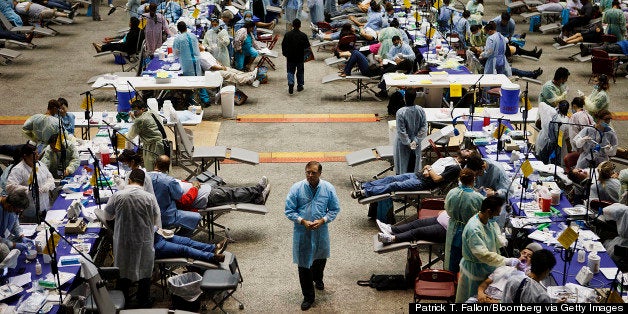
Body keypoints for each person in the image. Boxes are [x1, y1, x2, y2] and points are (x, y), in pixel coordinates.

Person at [285, 161, 340, 311]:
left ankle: (318, 278)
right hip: (303, 232)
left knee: (320, 258)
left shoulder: (328, 188)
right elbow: (289, 210)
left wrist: (323, 220)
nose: (310, 175)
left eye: (313, 173)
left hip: (321, 231)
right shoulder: (297, 188)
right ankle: (308, 296)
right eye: (307, 172)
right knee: (303, 265)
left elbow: (334, 209)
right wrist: (302, 221)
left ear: (320, 173)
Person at [101, 168, 161, 308]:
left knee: (123, 269)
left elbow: (108, 216)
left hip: (123, 240)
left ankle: (123, 300)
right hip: (143, 240)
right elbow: (156, 221)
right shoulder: (149, 197)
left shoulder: (118, 196)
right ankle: (143, 300)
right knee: (144, 269)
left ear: (128, 180)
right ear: (143, 182)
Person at [455, 196, 517, 303]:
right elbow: (483, 254)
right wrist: (505, 260)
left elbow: (493, 232)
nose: (499, 214)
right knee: (474, 298)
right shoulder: (474, 229)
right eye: (497, 211)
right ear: (488, 211)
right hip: (475, 269)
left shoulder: (486, 220)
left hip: (488, 265)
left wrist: (501, 239)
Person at [351, 150, 472, 199]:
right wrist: (427, 168)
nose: (466, 149)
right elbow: (429, 166)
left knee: (395, 185)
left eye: (468, 152)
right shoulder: (449, 159)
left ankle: (365, 192)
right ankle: (365, 185)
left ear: (466, 159)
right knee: (391, 178)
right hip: (418, 175)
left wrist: (428, 169)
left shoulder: (455, 168)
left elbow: (436, 178)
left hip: (423, 183)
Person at [444, 168, 484, 273]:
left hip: (453, 228)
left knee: (453, 255)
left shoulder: (452, 192)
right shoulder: (478, 197)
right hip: (470, 230)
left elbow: (447, 209)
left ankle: (451, 277)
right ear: (474, 180)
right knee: (467, 259)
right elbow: (484, 216)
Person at [474, 243, 543, 303]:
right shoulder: (502, 268)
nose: (525, 256)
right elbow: (485, 283)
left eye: (529, 256)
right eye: (523, 253)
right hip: (482, 298)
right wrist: (480, 293)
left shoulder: (527, 280)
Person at [150, 155, 201, 234]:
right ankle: (180, 238)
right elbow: (179, 197)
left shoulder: (145, 176)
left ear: (155, 163)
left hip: (149, 216)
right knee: (196, 217)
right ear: (168, 168)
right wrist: (195, 188)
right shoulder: (169, 181)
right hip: (166, 217)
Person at [6, 142, 55, 223]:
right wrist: (28, 189)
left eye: (37, 154)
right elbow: (9, 187)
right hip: (30, 210)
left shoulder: (40, 164)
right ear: (25, 156)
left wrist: (47, 185)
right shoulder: (19, 169)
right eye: (34, 154)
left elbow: (50, 177)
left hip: (45, 205)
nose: (37, 156)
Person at [177, 176, 271, 210]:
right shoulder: (165, 190)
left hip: (205, 190)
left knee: (232, 192)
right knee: (232, 193)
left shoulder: (165, 182)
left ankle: (258, 199)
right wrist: (195, 187)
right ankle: (257, 190)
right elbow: (185, 201)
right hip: (205, 197)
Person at [393, 89, 427, 174]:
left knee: (403, 165)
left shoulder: (400, 112)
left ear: (404, 98)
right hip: (416, 143)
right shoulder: (420, 110)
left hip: (403, 144)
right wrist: (415, 140)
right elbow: (424, 127)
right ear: (415, 98)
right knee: (413, 164)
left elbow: (401, 131)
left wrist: (408, 143)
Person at [128, 100, 165, 172]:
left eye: (135, 111)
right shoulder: (152, 112)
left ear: (142, 109)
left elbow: (130, 136)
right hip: (163, 143)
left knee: (152, 170)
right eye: (132, 111)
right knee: (162, 168)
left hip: (152, 148)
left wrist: (135, 120)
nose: (134, 113)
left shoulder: (140, 120)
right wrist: (135, 118)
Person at [154, 227, 226, 263]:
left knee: (187, 241)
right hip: (151, 244)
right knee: (183, 249)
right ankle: (212, 257)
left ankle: (213, 248)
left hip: (158, 234)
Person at [535, 100, 570, 164]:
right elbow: (566, 138)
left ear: (558, 105)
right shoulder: (566, 121)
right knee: (552, 163)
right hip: (556, 146)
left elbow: (541, 104)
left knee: (542, 161)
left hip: (544, 142)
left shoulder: (550, 112)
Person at [281, 18, 310, 94]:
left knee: (290, 71)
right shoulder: (303, 35)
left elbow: (283, 45)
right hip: (300, 57)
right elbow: (307, 47)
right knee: (300, 71)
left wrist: (285, 53)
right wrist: (306, 56)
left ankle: (291, 83)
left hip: (290, 57)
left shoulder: (287, 35)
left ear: (292, 25)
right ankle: (300, 85)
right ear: (300, 26)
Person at [0, 185, 31, 252]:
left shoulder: (12, 206)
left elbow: (14, 222)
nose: (16, 213)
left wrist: (21, 235)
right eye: (16, 211)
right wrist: (13, 245)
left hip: (5, 238)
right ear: (9, 206)